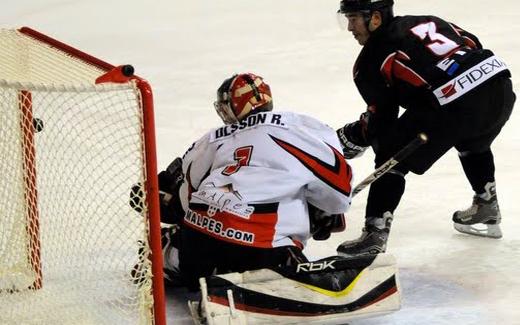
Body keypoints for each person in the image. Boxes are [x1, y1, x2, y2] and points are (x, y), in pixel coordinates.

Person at [334, 0, 515, 256]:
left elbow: (381, 124)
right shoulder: (426, 20)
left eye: (353, 19)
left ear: (375, 18)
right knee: (472, 139)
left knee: (391, 155)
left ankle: (374, 234)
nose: (351, 28)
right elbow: (471, 43)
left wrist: (354, 136)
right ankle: (486, 204)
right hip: (499, 88)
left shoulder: (372, 58)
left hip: (457, 104)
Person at [147, 72, 354, 290]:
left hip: (200, 237)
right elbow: (339, 195)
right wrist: (322, 214)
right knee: (281, 277)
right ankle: (280, 277)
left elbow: (186, 197)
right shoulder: (301, 129)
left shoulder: (213, 138)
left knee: (192, 254)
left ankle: (171, 254)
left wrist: (170, 205)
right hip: (263, 246)